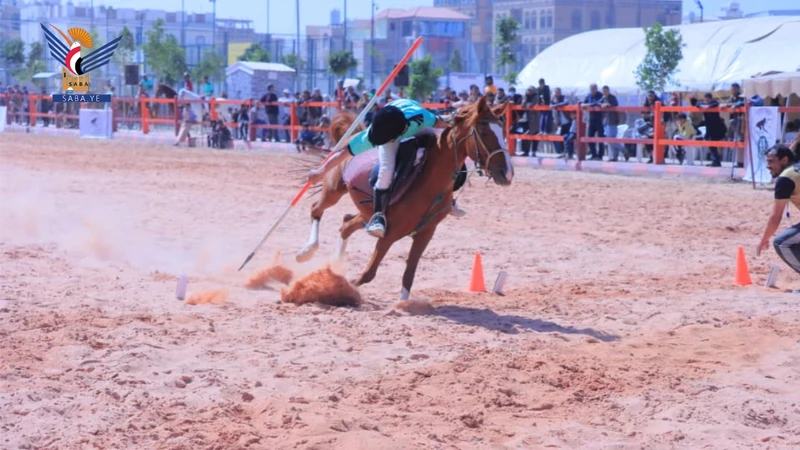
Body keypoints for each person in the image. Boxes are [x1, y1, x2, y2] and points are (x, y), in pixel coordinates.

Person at [307, 98, 464, 238]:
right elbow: (342, 153)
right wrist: (320, 171)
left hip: (410, 121)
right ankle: (378, 217)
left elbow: (443, 123)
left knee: (442, 149)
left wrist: (456, 121)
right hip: (392, 123)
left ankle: (448, 198)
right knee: (386, 170)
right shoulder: (373, 135)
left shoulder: (422, 118)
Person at [758, 145, 800, 277]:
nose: (768, 166)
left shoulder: (785, 178)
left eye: (771, 161)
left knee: (781, 243)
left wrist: (764, 239)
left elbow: (775, 217)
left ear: (784, 160)